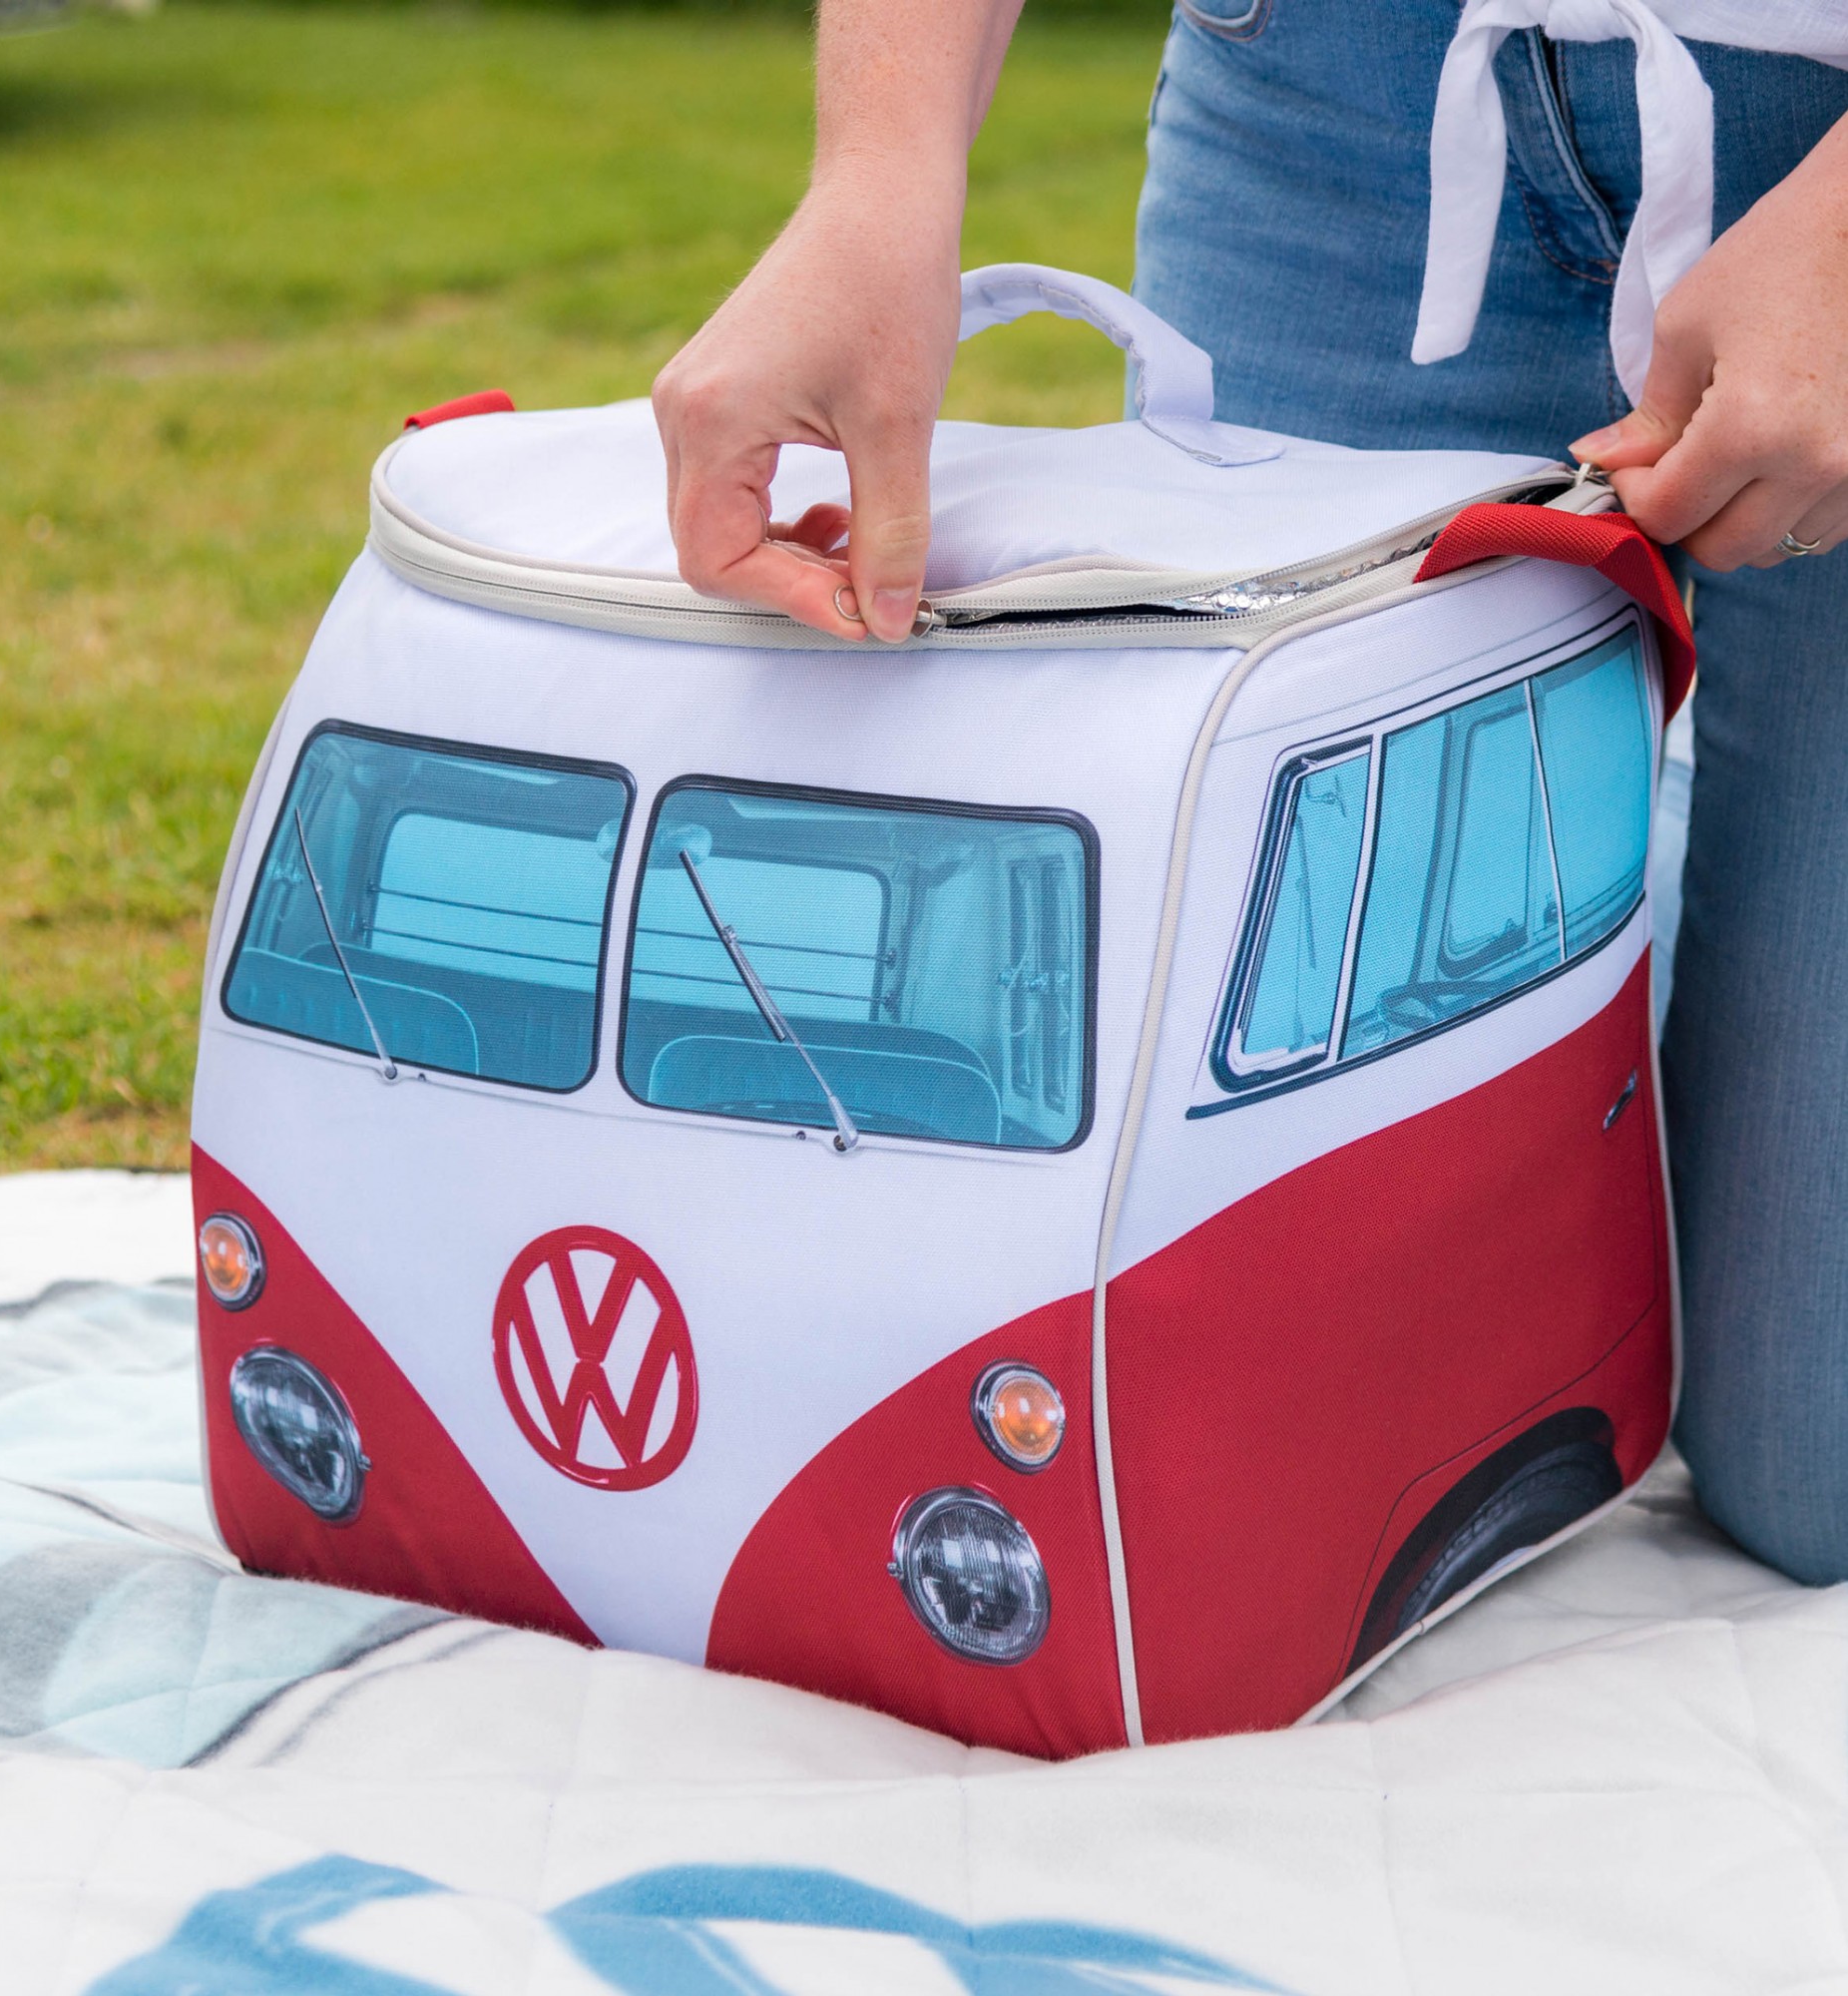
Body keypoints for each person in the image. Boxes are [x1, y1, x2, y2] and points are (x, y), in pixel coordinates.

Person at [653, 0, 1848, 1585]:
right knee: (1173, 1376)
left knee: (1806, 1475)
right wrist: (874, 173)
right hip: (1329, 100)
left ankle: (1646, 853)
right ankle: (1596, 851)